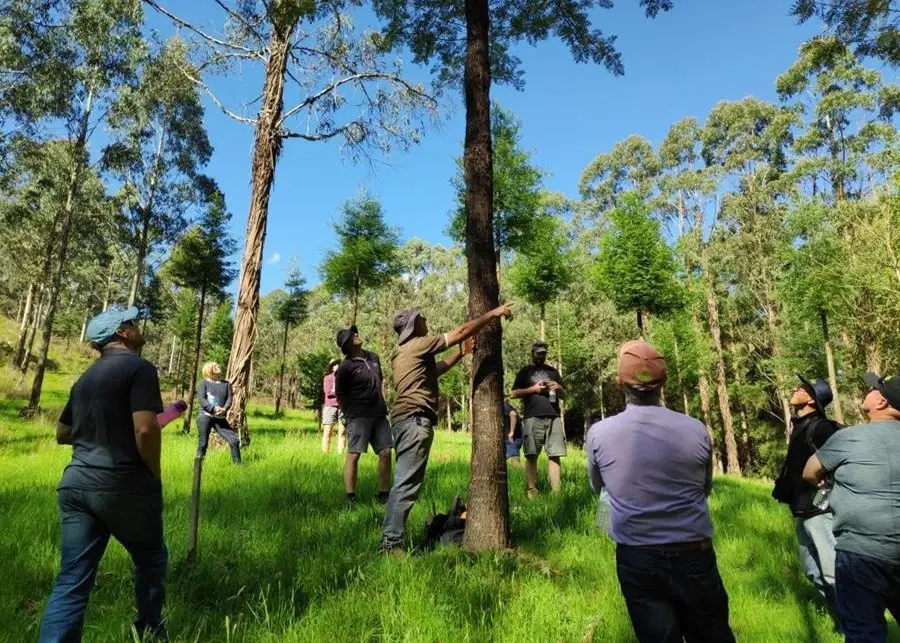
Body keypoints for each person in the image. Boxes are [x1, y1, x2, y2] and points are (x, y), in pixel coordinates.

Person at [585, 340, 735, 643]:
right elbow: (704, 489)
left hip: (637, 557)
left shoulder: (600, 433)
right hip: (695, 553)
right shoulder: (695, 428)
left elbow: (598, 488)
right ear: (663, 383)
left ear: (618, 383)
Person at [39, 305, 168, 642]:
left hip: (75, 485)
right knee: (151, 558)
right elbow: (145, 430)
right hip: (122, 484)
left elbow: (62, 433)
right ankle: (150, 629)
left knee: (71, 579)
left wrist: (99, 432)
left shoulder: (84, 379)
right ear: (122, 333)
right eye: (132, 323)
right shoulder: (139, 369)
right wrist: (153, 472)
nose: (138, 326)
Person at [380, 302, 514, 553]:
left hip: (405, 421)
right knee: (405, 485)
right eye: (420, 318)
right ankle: (390, 544)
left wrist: (461, 354)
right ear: (412, 326)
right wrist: (493, 313)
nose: (425, 318)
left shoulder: (405, 352)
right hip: (414, 420)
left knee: (405, 483)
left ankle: (391, 539)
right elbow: (461, 331)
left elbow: (436, 370)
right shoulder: (418, 344)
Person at [804, 372, 900, 643]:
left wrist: (825, 484)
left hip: (860, 554)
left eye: (872, 389)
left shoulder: (850, 437)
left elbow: (810, 472)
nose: (866, 392)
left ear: (881, 402)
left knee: (863, 634)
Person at [772, 374, 841, 621]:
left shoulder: (822, 427)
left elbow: (842, 461)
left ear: (811, 400)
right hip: (803, 512)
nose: (795, 388)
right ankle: (842, 622)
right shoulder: (799, 425)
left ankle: (855, 628)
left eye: (801, 388)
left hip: (822, 513)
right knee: (813, 571)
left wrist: (827, 486)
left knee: (833, 574)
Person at [334, 325, 392, 505]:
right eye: (353, 336)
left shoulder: (373, 357)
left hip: (379, 414)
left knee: (386, 452)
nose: (357, 335)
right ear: (347, 345)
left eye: (355, 333)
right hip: (358, 416)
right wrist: (349, 414)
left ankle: (383, 494)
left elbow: (380, 382)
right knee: (354, 454)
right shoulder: (346, 366)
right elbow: (340, 394)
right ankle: (350, 496)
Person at [510, 341, 566, 497]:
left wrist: (559, 388)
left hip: (553, 416)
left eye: (543, 353)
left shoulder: (553, 372)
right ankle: (532, 491)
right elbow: (513, 393)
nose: (541, 356)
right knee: (531, 454)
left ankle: (556, 493)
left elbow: (565, 395)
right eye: (538, 353)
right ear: (532, 353)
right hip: (532, 417)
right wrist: (534, 389)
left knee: (555, 454)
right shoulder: (525, 372)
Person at [196, 362, 241, 464]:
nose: (218, 367)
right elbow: (202, 399)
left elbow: (230, 399)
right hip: (205, 416)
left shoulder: (226, 384)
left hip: (220, 418)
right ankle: (198, 466)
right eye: (215, 366)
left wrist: (224, 409)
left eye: (218, 365)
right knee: (203, 443)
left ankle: (239, 467)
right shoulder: (204, 383)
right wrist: (213, 409)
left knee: (234, 440)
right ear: (208, 370)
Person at [321, 359, 345, 454]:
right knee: (327, 431)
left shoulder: (344, 379)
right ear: (331, 367)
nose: (337, 366)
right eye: (334, 364)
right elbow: (328, 392)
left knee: (343, 432)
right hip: (330, 406)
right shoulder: (327, 378)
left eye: (338, 364)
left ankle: (340, 454)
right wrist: (340, 393)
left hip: (342, 407)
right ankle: (325, 454)